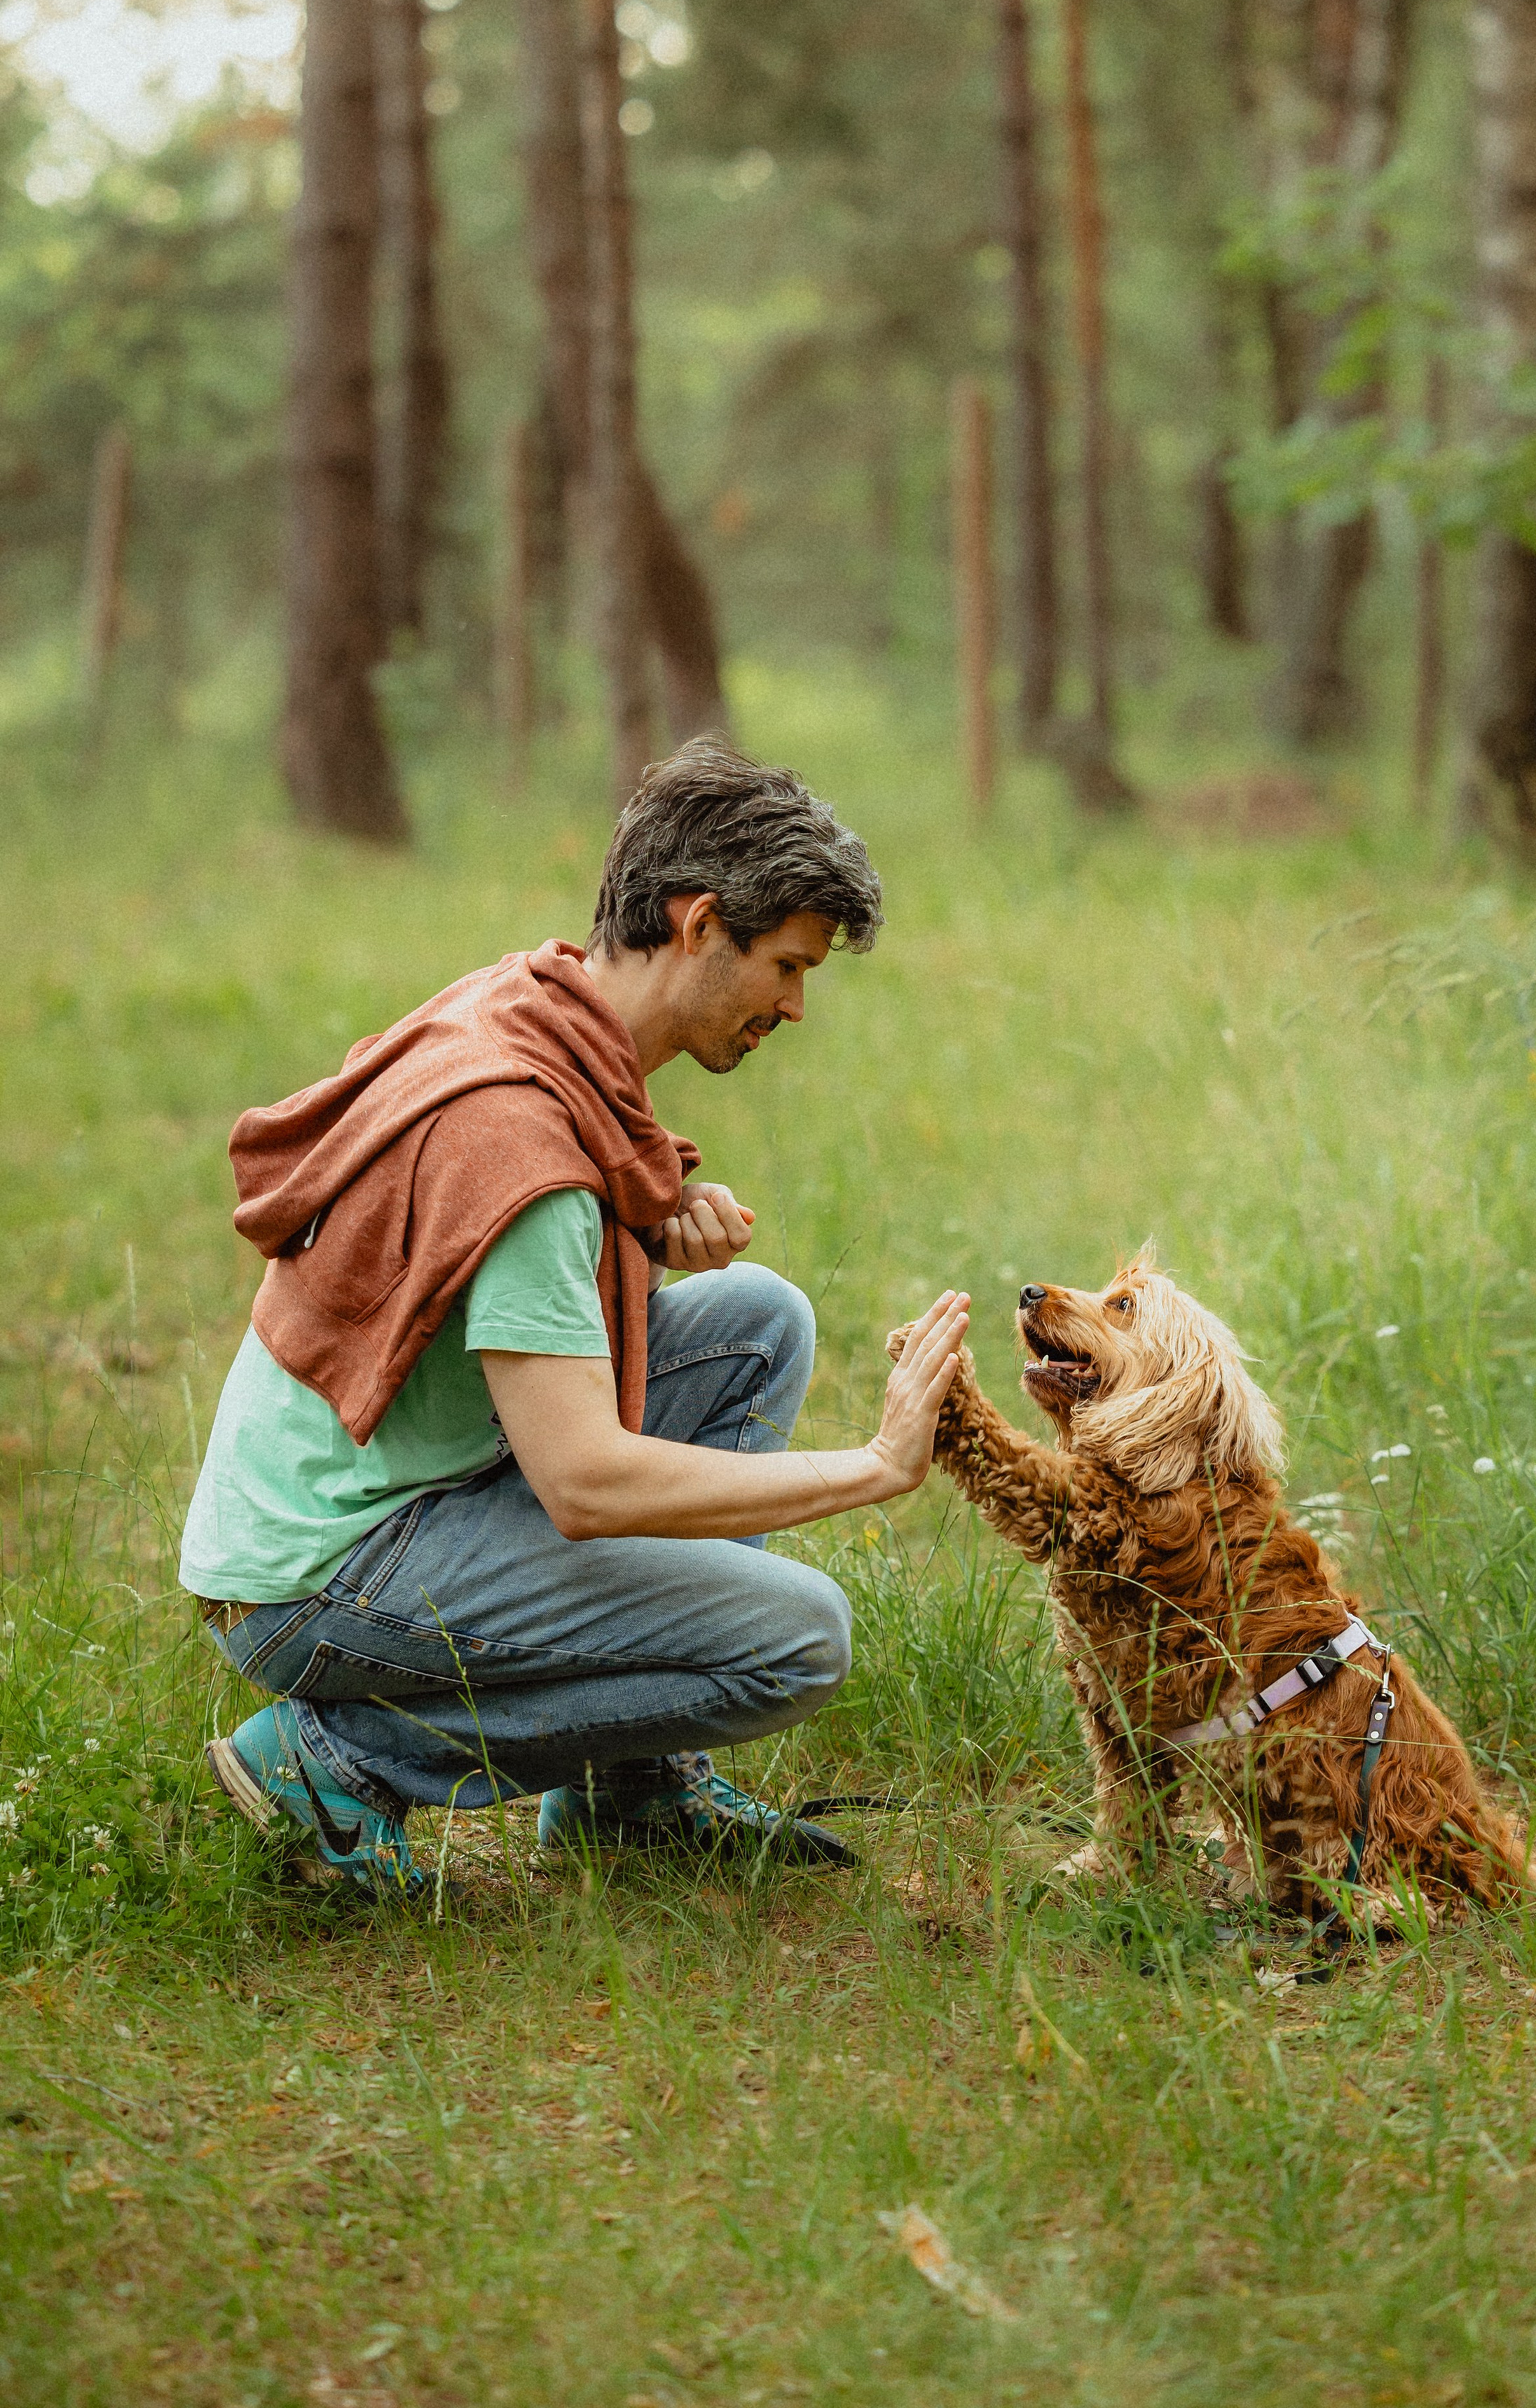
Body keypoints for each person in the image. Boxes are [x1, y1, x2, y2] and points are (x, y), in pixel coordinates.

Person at [180, 741, 969, 1897]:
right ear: (700, 925)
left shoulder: (534, 1003)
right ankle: (338, 1760)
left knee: (760, 1324)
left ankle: (630, 1793)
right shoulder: (526, 1147)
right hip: (314, 1583)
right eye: (788, 967)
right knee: (800, 1640)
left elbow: (481, 1279)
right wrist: (875, 1465)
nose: (797, 1007)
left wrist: (640, 1234)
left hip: (355, 1497)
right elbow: (587, 1485)